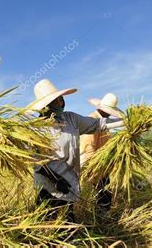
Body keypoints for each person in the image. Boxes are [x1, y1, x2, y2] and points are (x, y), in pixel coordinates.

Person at [27, 79, 123, 222]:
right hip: (49, 188)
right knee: (46, 224)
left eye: (61, 99)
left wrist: (125, 122)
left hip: (70, 185)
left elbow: (97, 124)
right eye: (56, 101)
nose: (60, 103)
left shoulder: (71, 119)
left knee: (69, 225)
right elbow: (37, 162)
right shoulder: (35, 129)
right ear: (46, 106)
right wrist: (57, 180)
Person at [80, 93, 124, 212]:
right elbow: (88, 147)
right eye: (109, 110)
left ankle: (101, 216)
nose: (110, 113)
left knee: (104, 193)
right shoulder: (92, 120)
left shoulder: (103, 121)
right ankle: (99, 219)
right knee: (103, 194)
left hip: (102, 164)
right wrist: (94, 169)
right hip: (93, 164)